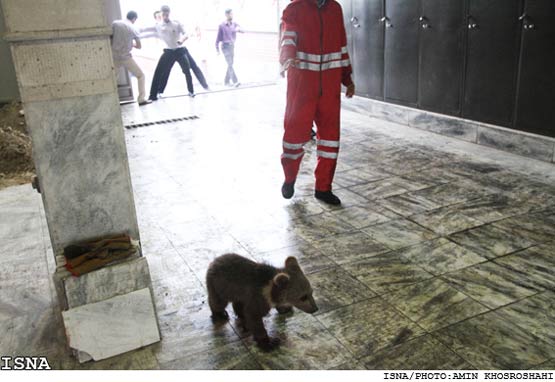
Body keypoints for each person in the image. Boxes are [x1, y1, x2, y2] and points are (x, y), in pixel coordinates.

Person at [279, 0, 355, 205]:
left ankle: (323, 188)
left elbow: (341, 45)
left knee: (330, 140)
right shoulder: (295, 8)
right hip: (302, 86)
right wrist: (288, 57)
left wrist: (347, 78)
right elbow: (288, 36)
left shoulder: (335, 9)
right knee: (294, 136)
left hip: (329, 88)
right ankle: (289, 178)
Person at [142, 5, 207, 100]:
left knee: (189, 69)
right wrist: (133, 33)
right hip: (168, 52)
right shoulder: (158, 26)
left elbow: (186, 33)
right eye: (163, 13)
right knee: (160, 72)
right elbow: (146, 31)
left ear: (169, 13)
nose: (165, 15)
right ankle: (154, 94)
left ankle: (193, 90)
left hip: (180, 50)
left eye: (167, 13)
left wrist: (181, 40)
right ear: (161, 14)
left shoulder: (176, 24)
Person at [111, 11, 151, 106]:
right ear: (134, 19)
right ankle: (141, 99)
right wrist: (131, 44)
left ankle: (112, 101)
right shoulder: (134, 28)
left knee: (112, 79)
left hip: (114, 56)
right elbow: (139, 46)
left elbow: (111, 37)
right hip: (126, 57)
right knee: (140, 75)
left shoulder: (116, 23)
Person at [215, 9, 243, 87]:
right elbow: (217, 39)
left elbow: (243, 30)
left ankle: (226, 81)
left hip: (232, 47)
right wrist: (217, 50)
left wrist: (238, 29)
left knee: (230, 64)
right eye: (230, 14)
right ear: (226, 15)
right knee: (230, 63)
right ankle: (235, 81)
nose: (232, 15)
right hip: (225, 47)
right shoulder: (221, 25)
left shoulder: (234, 24)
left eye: (232, 14)